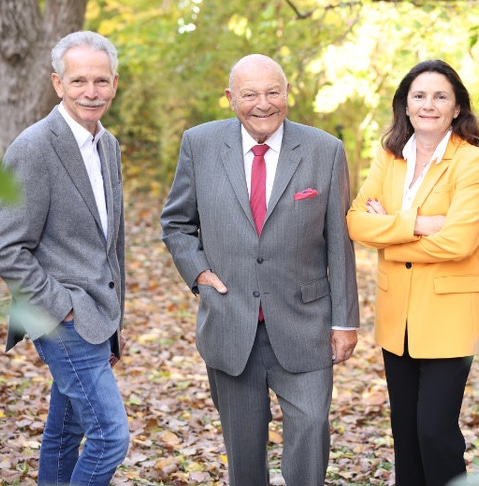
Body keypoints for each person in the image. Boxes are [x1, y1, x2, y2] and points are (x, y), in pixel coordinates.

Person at [160, 53, 359, 485]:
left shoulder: (325, 150)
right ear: (231, 98)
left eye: (273, 92)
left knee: (311, 430)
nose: (262, 103)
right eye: (250, 94)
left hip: (305, 324)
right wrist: (198, 273)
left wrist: (345, 321)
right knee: (245, 455)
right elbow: (176, 223)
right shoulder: (200, 143)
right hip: (230, 324)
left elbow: (340, 244)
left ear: (288, 94)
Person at [0, 31, 129, 485]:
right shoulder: (34, 147)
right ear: (57, 83)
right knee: (110, 437)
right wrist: (62, 308)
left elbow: (110, 241)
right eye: (79, 81)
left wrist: (111, 321)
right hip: (63, 317)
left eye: (101, 81)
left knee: (65, 432)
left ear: (114, 83)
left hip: (97, 312)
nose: (92, 91)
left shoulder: (108, 144)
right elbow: (7, 248)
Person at [347, 59, 479, 486]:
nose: (429, 104)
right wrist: (418, 222)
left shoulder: (472, 162)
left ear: (456, 108)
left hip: (450, 318)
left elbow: (459, 241)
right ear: (406, 106)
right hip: (398, 319)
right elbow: (357, 223)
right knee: (405, 434)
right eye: (419, 96)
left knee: (435, 432)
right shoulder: (388, 157)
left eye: (440, 96)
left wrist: (390, 230)